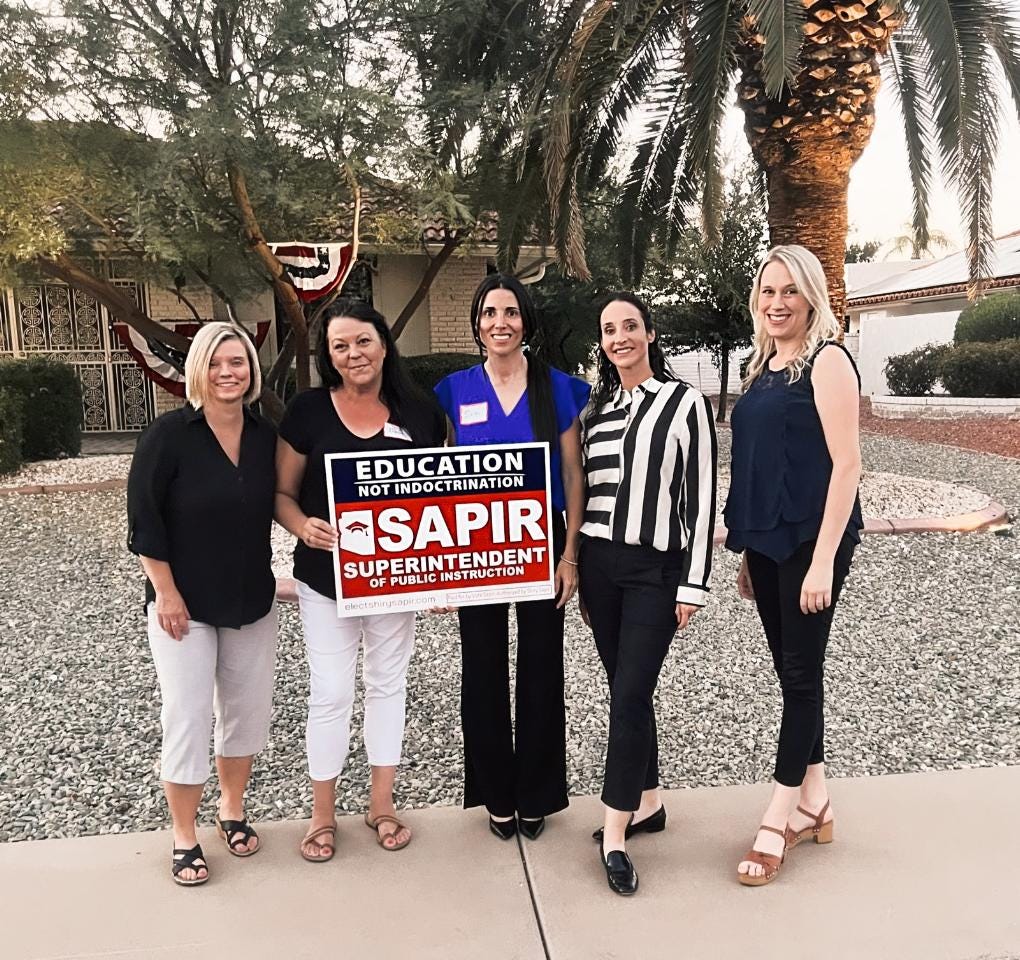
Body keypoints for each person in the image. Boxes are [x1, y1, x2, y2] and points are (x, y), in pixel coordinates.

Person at [276, 299, 446, 862]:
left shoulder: (420, 413)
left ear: (383, 342)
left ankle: (381, 803)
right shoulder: (307, 412)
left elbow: (445, 499)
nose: (354, 354)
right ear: (329, 356)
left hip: (395, 580)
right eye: (340, 346)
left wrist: (447, 577)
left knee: (387, 686)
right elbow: (282, 494)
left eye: (363, 341)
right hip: (326, 580)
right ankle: (321, 813)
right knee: (330, 692)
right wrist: (303, 525)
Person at [725, 245, 863, 887]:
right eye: (767, 292)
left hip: (813, 541)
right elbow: (755, 462)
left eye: (789, 292)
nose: (777, 304)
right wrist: (750, 551)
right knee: (791, 673)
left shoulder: (828, 361)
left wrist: (824, 563)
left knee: (802, 675)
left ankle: (779, 817)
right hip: (768, 540)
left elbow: (848, 465)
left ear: (812, 296)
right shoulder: (760, 366)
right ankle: (818, 800)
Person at [433, 274, 589, 842]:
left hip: (541, 543)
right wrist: (440, 567)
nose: (500, 323)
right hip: (477, 545)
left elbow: (573, 473)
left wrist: (568, 554)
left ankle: (537, 793)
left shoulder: (557, 387)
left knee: (542, 669)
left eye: (511, 312)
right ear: (477, 323)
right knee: (482, 670)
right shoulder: (454, 390)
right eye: (489, 313)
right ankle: (496, 793)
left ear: (526, 321)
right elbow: (437, 480)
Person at [127, 322, 278, 887]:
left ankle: (232, 809)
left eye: (238, 362)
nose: (228, 373)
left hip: (250, 600)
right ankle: (184, 835)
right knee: (187, 718)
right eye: (216, 363)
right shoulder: (168, 436)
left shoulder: (265, 436)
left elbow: (283, 501)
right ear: (198, 370)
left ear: (251, 370)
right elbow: (144, 523)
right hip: (181, 606)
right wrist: (165, 592)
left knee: (245, 714)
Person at [579, 292, 717, 896]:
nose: (619, 338)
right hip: (599, 568)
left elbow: (703, 496)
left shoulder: (684, 403)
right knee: (625, 690)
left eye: (630, 326)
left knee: (631, 692)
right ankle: (650, 802)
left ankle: (615, 832)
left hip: (654, 571)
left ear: (650, 333)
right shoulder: (596, 411)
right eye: (609, 330)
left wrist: (694, 583)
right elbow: (584, 492)